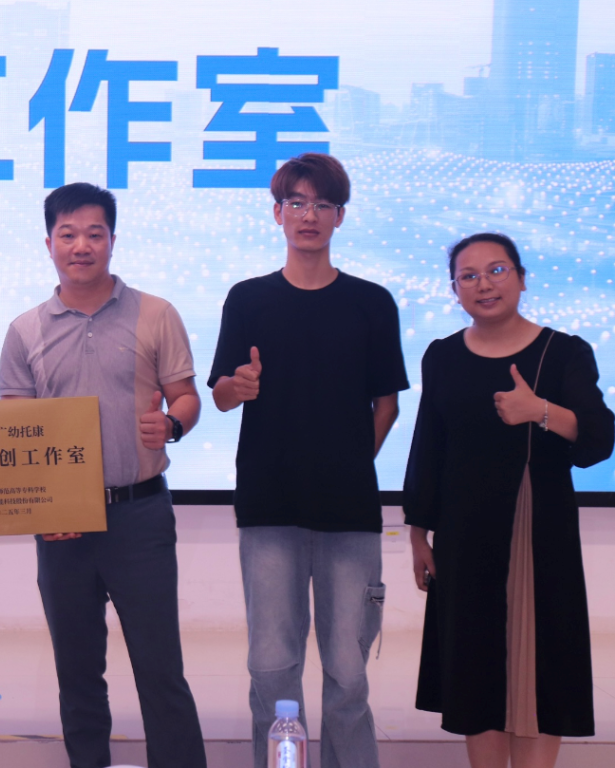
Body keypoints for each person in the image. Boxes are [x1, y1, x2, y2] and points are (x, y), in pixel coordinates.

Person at [207, 153, 408, 768]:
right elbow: (220, 395)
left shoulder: (371, 302)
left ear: (340, 216)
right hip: (269, 509)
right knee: (272, 669)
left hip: (350, 514)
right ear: (277, 213)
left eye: (322, 204)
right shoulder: (248, 298)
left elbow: (387, 404)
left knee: (348, 674)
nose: (309, 215)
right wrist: (237, 386)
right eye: (296, 202)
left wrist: (347, 463)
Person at [0, 183, 208, 768]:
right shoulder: (25, 330)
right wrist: (42, 508)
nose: (81, 246)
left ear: (113, 240)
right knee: (78, 671)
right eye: (68, 234)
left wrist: (173, 424)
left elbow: (186, 396)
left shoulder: (156, 313)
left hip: (139, 515)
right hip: (62, 525)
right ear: (49, 243)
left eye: (94, 233)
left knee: (160, 668)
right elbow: (17, 432)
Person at [404, 232, 613, 768]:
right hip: (464, 534)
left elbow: (598, 438)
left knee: (541, 666)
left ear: (522, 278)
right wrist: (418, 533)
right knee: (474, 671)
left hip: (536, 530)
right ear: (454, 290)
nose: (484, 284)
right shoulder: (442, 355)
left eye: (497, 270)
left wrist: (539, 411)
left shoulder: (563, 351)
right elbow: (429, 444)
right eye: (468, 276)